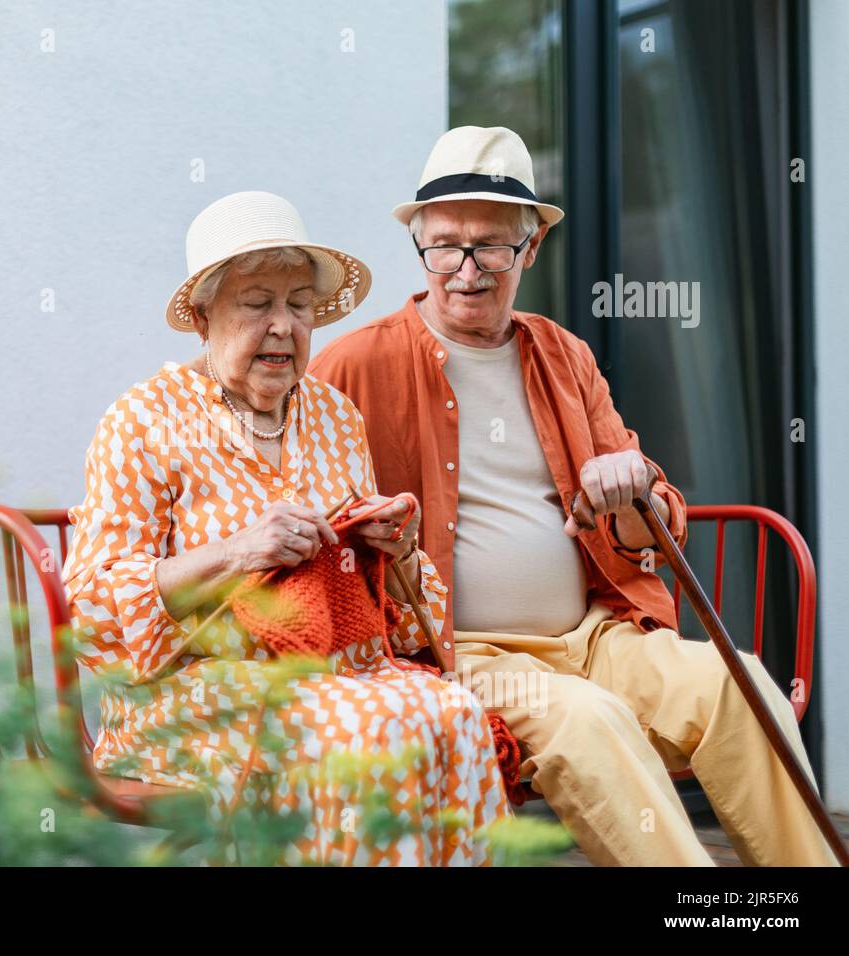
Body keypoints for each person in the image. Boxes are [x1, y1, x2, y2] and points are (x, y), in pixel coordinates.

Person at [308, 125, 838, 866]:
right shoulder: (353, 364)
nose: (467, 269)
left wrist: (626, 493)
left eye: (492, 246)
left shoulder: (563, 354)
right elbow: (314, 522)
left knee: (738, 681)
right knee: (588, 720)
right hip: (462, 653)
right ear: (421, 248)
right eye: (447, 245)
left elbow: (652, 523)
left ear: (529, 250)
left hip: (598, 634)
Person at [61, 190, 511, 865]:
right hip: (196, 692)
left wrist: (396, 553)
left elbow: (401, 622)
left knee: (456, 715)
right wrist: (236, 553)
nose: (284, 325)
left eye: (299, 305)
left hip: (345, 672)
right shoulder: (143, 420)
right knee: (363, 729)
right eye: (258, 303)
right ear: (204, 314)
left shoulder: (334, 415)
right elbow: (90, 611)